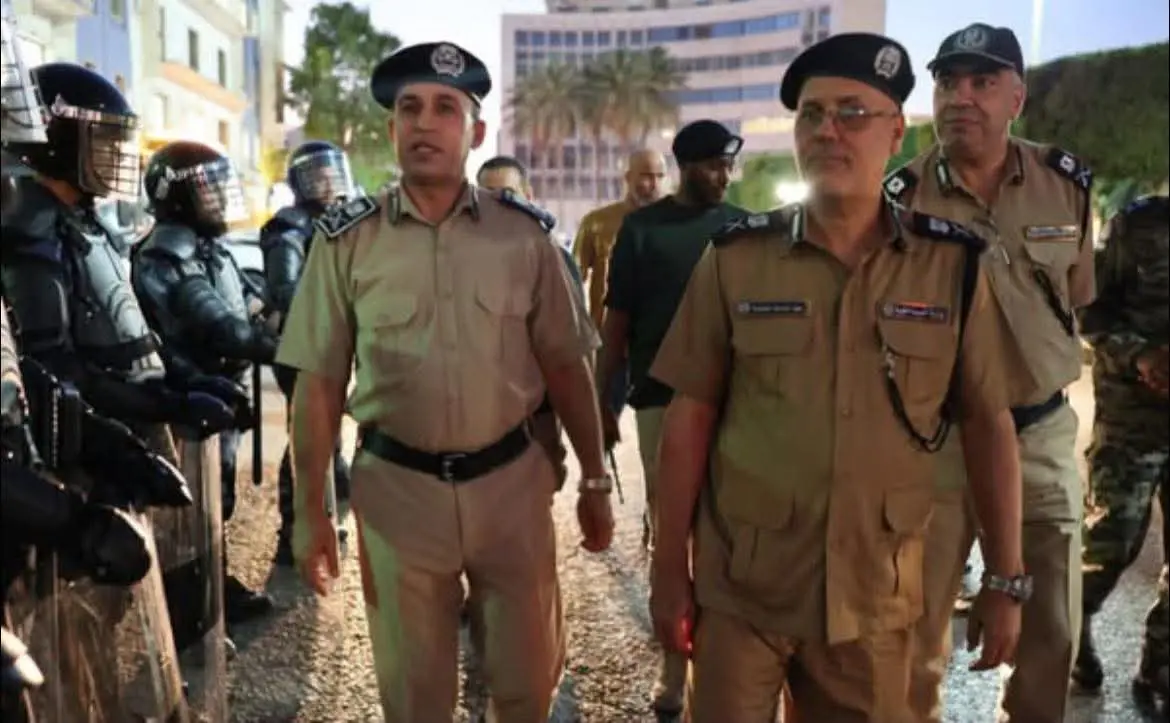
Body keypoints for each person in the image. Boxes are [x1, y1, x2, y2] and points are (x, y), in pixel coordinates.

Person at [649, 33, 1028, 722]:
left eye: (852, 113)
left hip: (875, 600)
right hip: (743, 592)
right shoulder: (736, 259)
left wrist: (1005, 575)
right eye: (812, 114)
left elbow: (987, 423)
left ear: (895, 133)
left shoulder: (951, 267)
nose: (828, 130)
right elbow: (689, 416)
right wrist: (669, 566)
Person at [276, 41, 613, 722]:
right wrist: (312, 511)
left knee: (527, 687)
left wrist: (595, 478)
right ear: (391, 127)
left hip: (512, 486)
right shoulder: (347, 241)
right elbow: (319, 384)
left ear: (476, 132)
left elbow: (567, 365)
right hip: (398, 495)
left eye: (445, 108)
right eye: (410, 108)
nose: (424, 123)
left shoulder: (525, 238)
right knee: (415, 700)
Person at [883, 23, 1096, 722]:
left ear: (1016, 98)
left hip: (1039, 435)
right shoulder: (899, 199)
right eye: (947, 83)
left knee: (1051, 636)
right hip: (933, 445)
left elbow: (1077, 297)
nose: (961, 97)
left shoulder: (1064, 186)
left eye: (981, 82)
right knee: (912, 638)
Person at [593, 119, 747, 713]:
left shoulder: (742, 227)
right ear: (685, 168)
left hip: (737, 403)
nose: (724, 176)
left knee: (733, 532)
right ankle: (675, 667)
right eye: (712, 166)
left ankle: (729, 662)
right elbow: (616, 324)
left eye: (728, 165)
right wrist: (602, 403)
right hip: (661, 399)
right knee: (672, 532)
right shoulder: (641, 231)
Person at [132, 138, 279, 629]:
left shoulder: (208, 250)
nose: (218, 199)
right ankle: (186, 608)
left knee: (218, 501)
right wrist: (284, 347)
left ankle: (212, 584)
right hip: (188, 397)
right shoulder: (168, 256)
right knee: (188, 510)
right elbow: (223, 328)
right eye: (207, 190)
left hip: (216, 394)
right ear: (177, 197)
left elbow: (249, 306)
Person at [1074, 194, 1169, 701]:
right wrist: (1141, 356)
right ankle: (1069, 629)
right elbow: (1088, 309)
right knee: (1112, 541)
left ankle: (1160, 664)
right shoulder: (1137, 225)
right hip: (1133, 420)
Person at [260, 139, 357, 566]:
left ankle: (325, 512)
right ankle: (293, 529)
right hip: (301, 344)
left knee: (327, 432)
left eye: (332, 172)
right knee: (309, 434)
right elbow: (286, 289)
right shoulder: (289, 228)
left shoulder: (342, 222)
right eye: (317, 175)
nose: (328, 182)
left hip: (332, 341)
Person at [475, 154, 587, 489]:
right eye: (489, 197)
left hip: (537, 415)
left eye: (509, 196)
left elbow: (571, 350)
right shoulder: (457, 259)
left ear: (528, 196)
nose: (500, 207)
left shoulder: (553, 259)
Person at [574, 150, 668, 438]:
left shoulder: (673, 224)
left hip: (659, 344)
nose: (653, 184)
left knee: (662, 430)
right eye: (646, 176)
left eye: (659, 176)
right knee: (598, 428)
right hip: (608, 343)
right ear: (628, 177)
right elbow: (572, 280)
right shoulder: (597, 223)